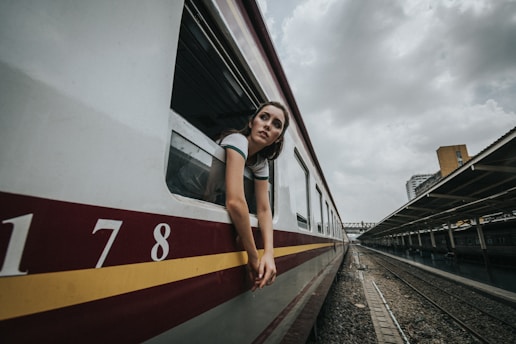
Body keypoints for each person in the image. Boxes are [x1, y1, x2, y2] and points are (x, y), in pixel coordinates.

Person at [219, 101, 289, 291]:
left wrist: (269, 253)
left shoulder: (260, 163)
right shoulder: (236, 140)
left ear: (277, 138)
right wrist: (253, 257)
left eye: (276, 124)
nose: (267, 125)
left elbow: (264, 210)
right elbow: (235, 202)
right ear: (251, 122)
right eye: (264, 117)